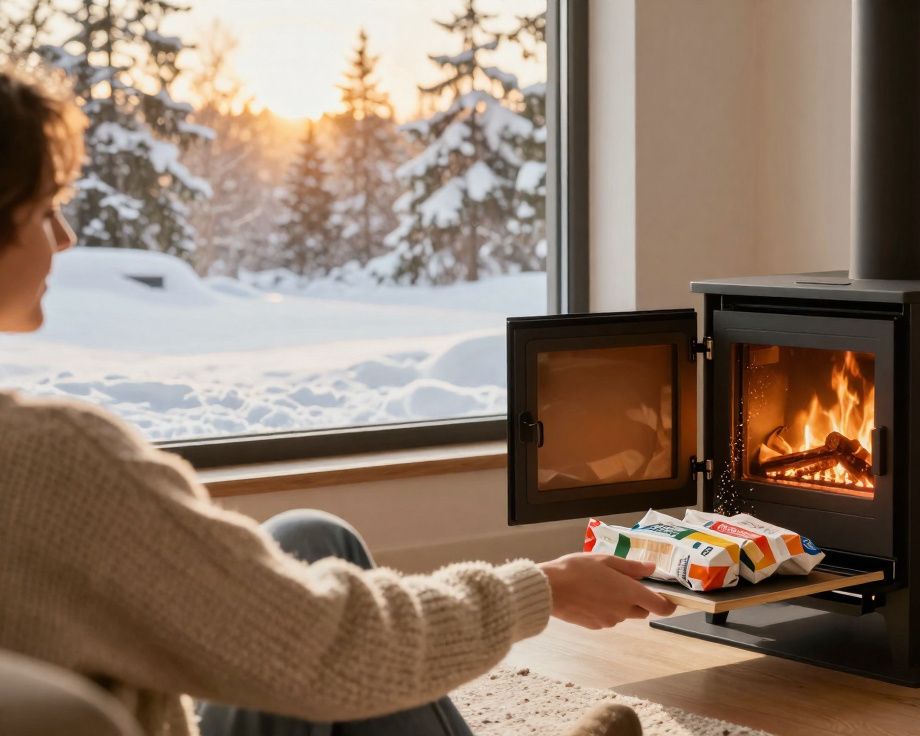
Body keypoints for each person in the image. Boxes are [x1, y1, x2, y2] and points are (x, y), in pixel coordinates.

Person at [0, 66, 675, 736]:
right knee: (329, 633)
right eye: (45, 209)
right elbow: (329, 651)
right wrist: (548, 586)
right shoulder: (51, 462)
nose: (65, 238)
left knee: (310, 537)